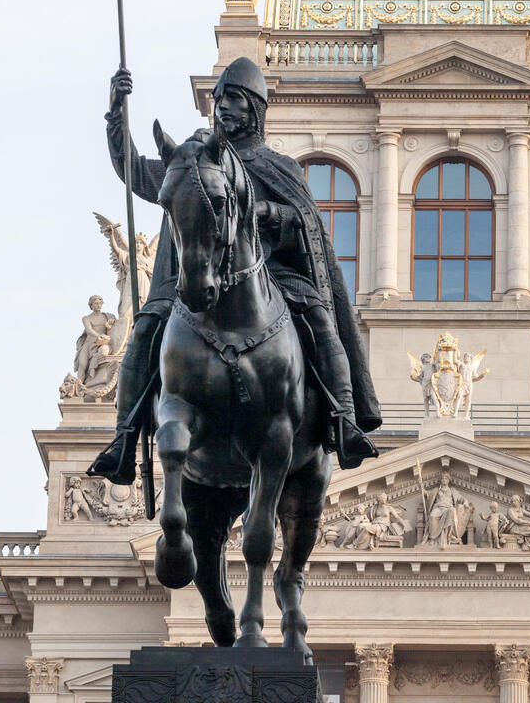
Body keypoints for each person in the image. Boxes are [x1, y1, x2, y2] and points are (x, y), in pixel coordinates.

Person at [89, 58, 381, 484]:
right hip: (196, 276)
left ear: (255, 109)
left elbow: (304, 222)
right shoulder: (191, 163)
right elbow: (133, 170)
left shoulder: (279, 166)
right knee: (146, 325)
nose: (223, 106)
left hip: (271, 276)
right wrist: (117, 115)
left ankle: (345, 419)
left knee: (320, 317)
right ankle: (123, 439)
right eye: (220, 99)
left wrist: (266, 212)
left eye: (234, 99)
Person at [74, 295, 115, 385]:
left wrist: (112, 323)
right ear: (91, 305)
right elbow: (89, 330)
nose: (98, 305)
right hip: (89, 343)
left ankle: (92, 378)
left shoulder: (107, 316)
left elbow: (114, 328)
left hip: (101, 343)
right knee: (82, 364)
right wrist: (98, 335)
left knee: (103, 352)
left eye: (100, 303)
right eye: (96, 303)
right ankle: (80, 386)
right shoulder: (86, 318)